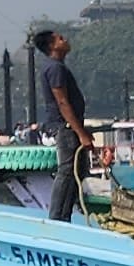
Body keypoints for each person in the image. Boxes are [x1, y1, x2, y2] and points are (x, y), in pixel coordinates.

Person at [30, 28, 93, 222]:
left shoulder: (57, 67)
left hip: (70, 127)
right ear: (52, 45)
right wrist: (80, 133)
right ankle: (57, 217)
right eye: (60, 38)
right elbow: (63, 102)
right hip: (65, 128)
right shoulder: (55, 68)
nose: (65, 40)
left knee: (78, 171)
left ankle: (66, 214)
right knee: (67, 171)